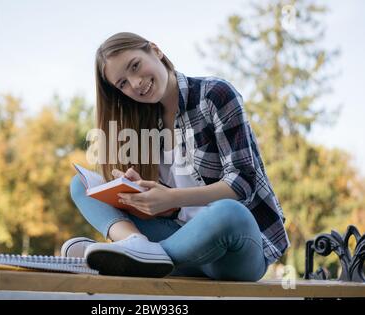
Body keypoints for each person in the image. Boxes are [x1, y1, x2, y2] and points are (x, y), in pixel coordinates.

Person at [64, 32, 290, 280]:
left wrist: (171, 198)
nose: (135, 83)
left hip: (232, 249)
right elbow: (175, 211)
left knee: (229, 212)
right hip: (179, 245)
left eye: (135, 66)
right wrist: (143, 196)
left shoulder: (214, 95)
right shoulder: (143, 123)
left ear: (155, 50)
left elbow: (243, 183)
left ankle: (133, 257)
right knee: (82, 184)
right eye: (122, 84)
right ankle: (136, 246)